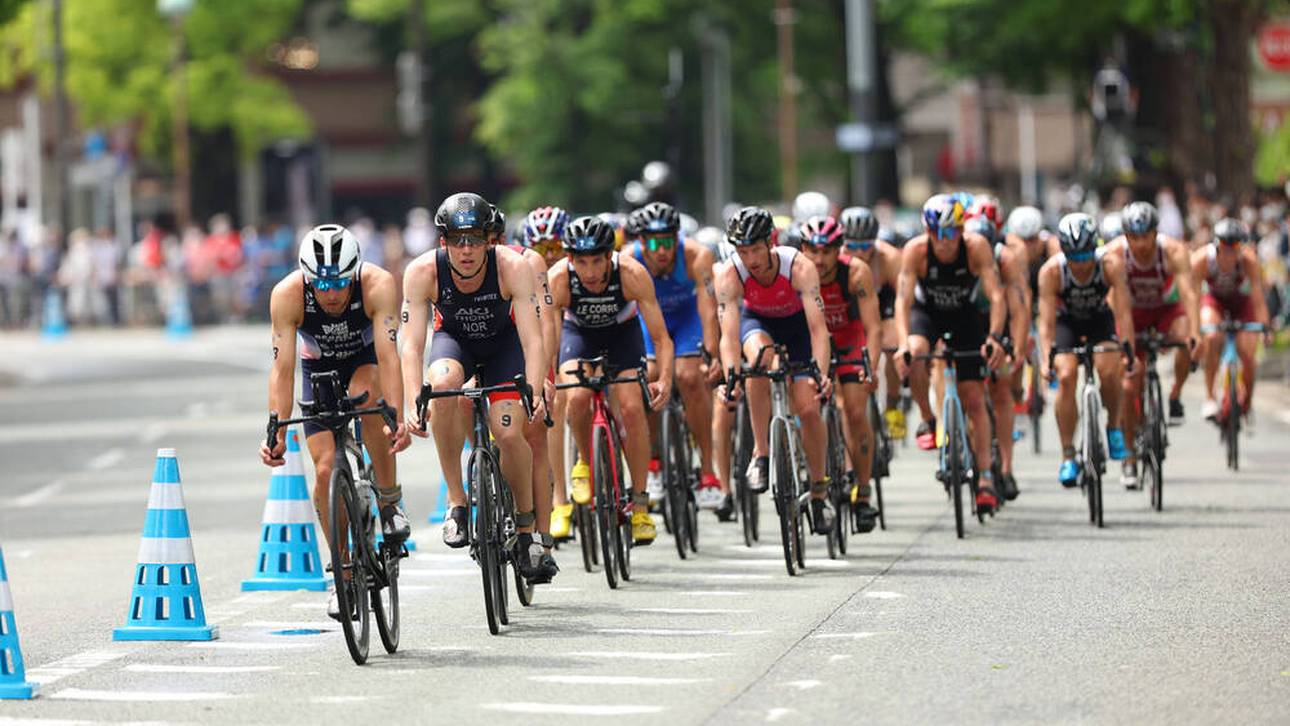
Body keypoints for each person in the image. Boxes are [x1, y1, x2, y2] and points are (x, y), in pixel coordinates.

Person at [259, 224, 412, 620]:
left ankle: (389, 500)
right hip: (317, 369)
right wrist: (275, 428)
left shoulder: (377, 284)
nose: (330, 293)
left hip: (364, 362)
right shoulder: (288, 295)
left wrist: (394, 415)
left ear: (355, 273)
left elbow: (389, 356)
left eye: (340, 283)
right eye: (321, 284)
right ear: (308, 278)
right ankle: (342, 571)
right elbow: (282, 368)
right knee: (325, 470)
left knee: (370, 401)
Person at [399, 192, 552, 582]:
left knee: (507, 430)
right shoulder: (422, 273)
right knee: (444, 385)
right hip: (456, 344)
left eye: (474, 239)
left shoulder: (512, 267)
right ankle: (457, 501)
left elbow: (534, 340)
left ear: (489, 239)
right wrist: (413, 398)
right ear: (442, 241)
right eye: (456, 239)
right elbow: (412, 344)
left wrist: (533, 388)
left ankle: (524, 527)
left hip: (504, 346)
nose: (466, 249)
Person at [548, 215, 674, 545]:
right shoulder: (559, 278)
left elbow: (661, 338)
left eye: (597, 262)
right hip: (579, 335)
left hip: (622, 335)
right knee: (575, 397)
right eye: (582, 262)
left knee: (632, 408)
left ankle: (642, 504)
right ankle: (584, 464)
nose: (589, 272)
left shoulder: (631, 273)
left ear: (609, 258)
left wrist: (665, 380)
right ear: (570, 259)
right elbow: (548, 341)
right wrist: (546, 381)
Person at [715, 206, 836, 534]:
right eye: (743, 251)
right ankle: (761, 452)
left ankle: (819, 490)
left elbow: (818, 329)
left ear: (770, 242)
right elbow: (728, 336)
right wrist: (730, 376)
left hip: (798, 329)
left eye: (756, 249)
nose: (751, 259)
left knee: (809, 409)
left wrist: (820, 374)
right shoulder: (730, 274)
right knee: (758, 361)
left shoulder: (799, 266)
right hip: (760, 324)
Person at [893, 194, 1008, 514]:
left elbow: (997, 297)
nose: (945, 242)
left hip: (964, 316)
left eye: (952, 232)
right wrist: (903, 343)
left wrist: (995, 338)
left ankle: (985, 476)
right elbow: (902, 302)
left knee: (973, 397)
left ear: (961, 229)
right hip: (926, 314)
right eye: (938, 234)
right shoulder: (916, 251)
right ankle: (929, 420)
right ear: (928, 232)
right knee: (915, 354)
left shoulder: (976, 248)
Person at [623, 202, 727, 517]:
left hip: (686, 321)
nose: (662, 250)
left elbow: (709, 309)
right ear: (642, 243)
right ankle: (653, 462)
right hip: (647, 322)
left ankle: (708, 471)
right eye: (654, 243)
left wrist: (712, 353)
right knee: (650, 378)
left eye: (668, 241)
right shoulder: (628, 260)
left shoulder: (697, 256)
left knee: (690, 377)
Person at [486, 205, 561, 581]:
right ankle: (481, 496)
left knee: (534, 435)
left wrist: (547, 377)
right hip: (483, 351)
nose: (491, 249)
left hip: (522, 349)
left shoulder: (528, 263)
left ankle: (540, 539)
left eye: (496, 241)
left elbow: (546, 324)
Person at [1104, 201, 1200, 489]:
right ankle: (1130, 457)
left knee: (1186, 337)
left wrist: (1196, 333)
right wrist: (1122, 344)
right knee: (1130, 382)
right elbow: (1111, 303)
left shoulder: (1173, 251)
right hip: (1130, 314)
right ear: (1126, 236)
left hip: (1164, 311)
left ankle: (1174, 394)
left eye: (1146, 236)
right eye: (1134, 237)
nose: (1141, 243)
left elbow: (1189, 295)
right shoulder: (1115, 255)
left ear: (1155, 233)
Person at [1035, 213, 1135, 487]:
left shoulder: (1111, 264)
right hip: (1067, 322)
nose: (1080, 264)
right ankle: (1068, 454)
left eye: (1085, 256)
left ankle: (1114, 426)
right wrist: (1046, 359)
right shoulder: (1052, 272)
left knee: (1109, 369)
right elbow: (1045, 323)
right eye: (1074, 257)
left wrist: (1128, 349)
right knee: (1066, 376)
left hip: (1100, 319)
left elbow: (1124, 314)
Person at [798, 215, 883, 532]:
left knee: (856, 412)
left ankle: (862, 494)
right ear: (803, 248)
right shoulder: (796, 272)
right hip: (810, 342)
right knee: (805, 408)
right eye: (813, 251)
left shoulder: (856, 273)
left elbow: (874, 328)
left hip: (849, 341)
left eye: (827, 251)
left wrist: (871, 368)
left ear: (838, 250)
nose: (819, 260)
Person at [520, 206, 581, 542]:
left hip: (580, 328)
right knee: (553, 411)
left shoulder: (581, 264)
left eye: (556, 248)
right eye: (542, 249)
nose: (550, 255)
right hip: (548, 331)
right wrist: (548, 371)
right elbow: (544, 325)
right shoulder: (526, 269)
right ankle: (559, 502)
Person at [965, 205, 1030, 501]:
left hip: (998, 323)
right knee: (971, 392)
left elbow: (1018, 308)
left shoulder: (1006, 259)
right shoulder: (960, 256)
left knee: (1002, 390)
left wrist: (1015, 348)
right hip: (969, 323)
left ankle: (1005, 467)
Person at [1192, 218, 1272, 421]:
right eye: (1224, 249)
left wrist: (1265, 327)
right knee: (1212, 337)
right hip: (1214, 302)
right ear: (1216, 247)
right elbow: (1193, 298)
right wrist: (1194, 332)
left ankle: (1248, 400)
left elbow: (1257, 297)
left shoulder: (1249, 261)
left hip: (1241, 304)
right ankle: (1210, 397)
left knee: (1248, 354)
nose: (1229, 255)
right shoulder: (1202, 260)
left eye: (1235, 249)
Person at [840, 207, 906, 440]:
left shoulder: (889, 258)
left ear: (874, 243)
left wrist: (902, 335)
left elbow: (903, 300)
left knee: (892, 344)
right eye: (852, 247)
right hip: (850, 306)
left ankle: (893, 404)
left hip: (882, 302)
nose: (858, 253)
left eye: (865, 247)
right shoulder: (834, 260)